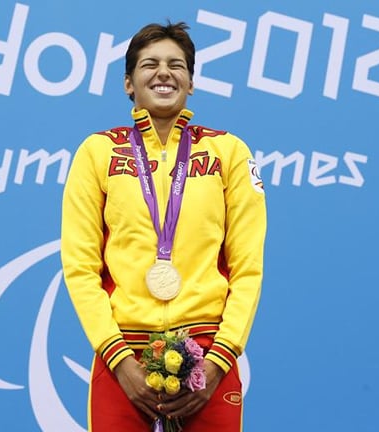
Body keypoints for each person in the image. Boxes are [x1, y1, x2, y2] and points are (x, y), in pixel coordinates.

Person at [60, 21, 266, 432]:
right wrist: (118, 359)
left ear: (191, 82)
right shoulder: (97, 152)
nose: (164, 73)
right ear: (128, 84)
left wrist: (217, 362)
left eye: (177, 65)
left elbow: (247, 268)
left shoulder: (228, 151)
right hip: (123, 357)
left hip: (209, 355)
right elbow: (81, 268)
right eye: (149, 64)